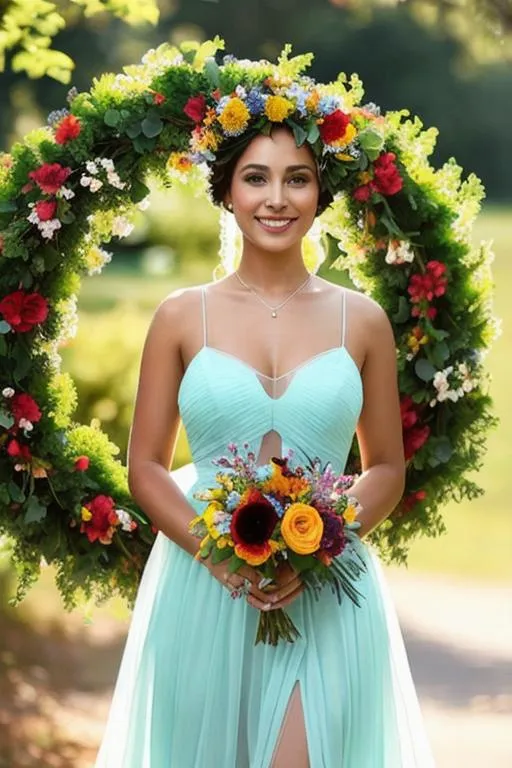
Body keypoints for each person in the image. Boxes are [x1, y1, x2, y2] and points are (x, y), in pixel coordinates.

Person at [94, 124, 435, 767]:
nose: (276, 198)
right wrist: (221, 559)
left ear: (319, 194)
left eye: (296, 178)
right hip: (204, 587)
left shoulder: (361, 320)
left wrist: (320, 546)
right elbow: (145, 467)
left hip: (328, 588)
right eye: (257, 177)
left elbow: (386, 466)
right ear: (226, 191)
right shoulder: (179, 315)